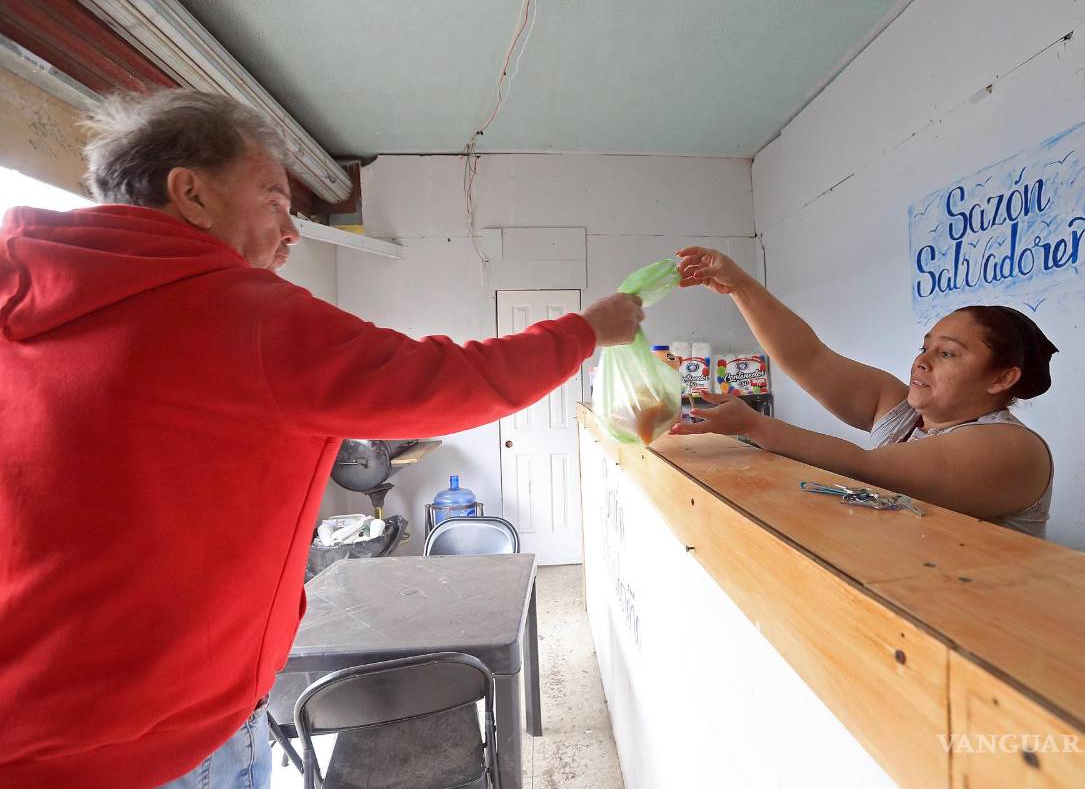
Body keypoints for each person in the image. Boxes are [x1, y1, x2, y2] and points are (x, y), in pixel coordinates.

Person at [0, 89, 644, 788]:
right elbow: (449, 379)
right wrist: (587, 330)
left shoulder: (22, 291)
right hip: (152, 743)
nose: (292, 231)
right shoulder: (238, 313)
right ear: (191, 193)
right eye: (274, 200)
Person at [671, 246, 1057, 535]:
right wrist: (740, 286)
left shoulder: (1011, 448)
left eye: (948, 354)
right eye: (924, 347)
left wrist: (753, 425)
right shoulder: (902, 411)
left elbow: (865, 467)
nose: (922, 362)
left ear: (1002, 379)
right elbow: (809, 359)